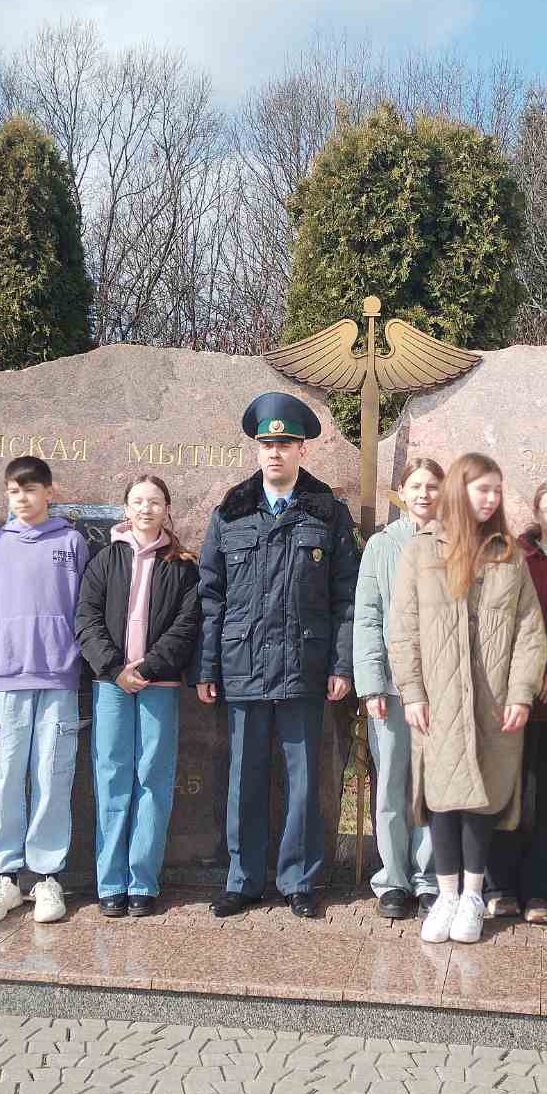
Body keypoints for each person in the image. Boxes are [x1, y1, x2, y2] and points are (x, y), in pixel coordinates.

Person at [196, 392, 358, 920]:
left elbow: (345, 597)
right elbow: (210, 595)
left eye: (285, 443)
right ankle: (243, 880)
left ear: (302, 450)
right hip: (242, 666)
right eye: (267, 443)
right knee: (244, 779)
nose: (275, 453)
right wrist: (208, 667)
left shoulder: (328, 513)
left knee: (304, 780)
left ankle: (299, 880)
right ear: (256, 449)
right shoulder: (231, 512)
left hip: (304, 667)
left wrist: (341, 664)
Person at [388, 452, 547, 945]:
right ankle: (445, 895)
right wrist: (412, 691)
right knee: (443, 800)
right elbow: (403, 627)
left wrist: (521, 692)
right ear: (460, 490)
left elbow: (530, 630)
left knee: (482, 799)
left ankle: (474, 896)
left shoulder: (508, 554)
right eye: (483, 489)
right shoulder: (421, 551)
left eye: (497, 491)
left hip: (494, 700)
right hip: (438, 698)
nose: (491, 499)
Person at [0, 456, 90, 926]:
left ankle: (46, 876)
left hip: (59, 676)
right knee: (5, 779)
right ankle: (3, 877)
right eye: (14, 491)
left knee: (52, 777)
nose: (23, 498)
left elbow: (82, 607)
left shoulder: (72, 542)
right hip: (8, 679)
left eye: (31, 489)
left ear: (49, 492)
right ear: (6, 495)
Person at [76, 473, 201, 918]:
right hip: (111, 684)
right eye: (136, 501)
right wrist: (115, 668)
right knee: (111, 778)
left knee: (153, 779)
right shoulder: (103, 560)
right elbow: (86, 617)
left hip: (158, 684)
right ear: (125, 509)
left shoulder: (183, 565)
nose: (145, 509)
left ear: (168, 508)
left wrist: (147, 667)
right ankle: (109, 883)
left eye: (154, 501)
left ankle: (142, 882)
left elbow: (187, 626)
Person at [485, 479, 547, 925]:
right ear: (536, 512)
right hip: (514, 696)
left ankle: (544, 892)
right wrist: (523, 679)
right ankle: (501, 885)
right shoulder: (514, 553)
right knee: (509, 794)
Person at [353, 458, 445, 920]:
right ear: (402, 493)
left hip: (440, 690)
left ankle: (427, 878)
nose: (424, 494)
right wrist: (370, 684)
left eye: (432, 486)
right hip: (390, 688)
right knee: (390, 784)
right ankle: (392, 879)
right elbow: (367, 617)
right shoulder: (381, 546)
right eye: (415, 486)